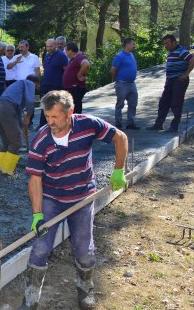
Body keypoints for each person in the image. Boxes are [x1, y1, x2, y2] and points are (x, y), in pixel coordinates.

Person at [20, 90, 128, 310]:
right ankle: (30, 298)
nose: (50, 122)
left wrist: (119, 170)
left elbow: (120, 137)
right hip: (52, 198)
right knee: (41, 248)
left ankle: (85, 288)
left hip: (82, 197)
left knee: (84, 250)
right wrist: (38, 214)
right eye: (47, 117)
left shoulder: (88, 124)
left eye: (55, 117)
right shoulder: (41, 139)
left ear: (70, 113)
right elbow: (35, 179)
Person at [146, 34, 194, 132]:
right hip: (170, 80)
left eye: (167, 43)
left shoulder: (182, 51)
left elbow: (193, 60)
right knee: (163, 102)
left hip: (179, 80)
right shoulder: (171, 52)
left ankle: (174, 127)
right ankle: (158, 124)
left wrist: (186, 74)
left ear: (174, 42)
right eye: (164, 43)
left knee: (176, 103)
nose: (166, 45)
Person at [0, 75, 39, 176]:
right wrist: (29, 116)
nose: (35, 89)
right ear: (35, 83)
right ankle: (7, 171)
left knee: (6, 142)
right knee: (16, 143)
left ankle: (3, 168)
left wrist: (23, 127)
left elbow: (17, 114)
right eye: (36, 87)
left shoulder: (17, 88)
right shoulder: (28, 83)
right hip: (7, 108)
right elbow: (30, 101)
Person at [7, 40, 41, 127]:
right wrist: (15, 62)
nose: (20, 49)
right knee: (18, 103)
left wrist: (37, 83)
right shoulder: (17, 57)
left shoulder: (34, 57)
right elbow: (8, 67)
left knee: (30, 103)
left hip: (31, 84)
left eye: (22, 47)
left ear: (27, 47)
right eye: (19, 47)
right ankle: (19, 121)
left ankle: (29, 122)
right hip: (19, 84)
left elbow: (37, 71)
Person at [39, 38, 69, 129]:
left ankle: (58, 124)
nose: (49, 48)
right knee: (44, 104)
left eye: (51, 46)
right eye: (47, 46)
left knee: (56, 106)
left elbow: (66, 70)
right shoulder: (47, 55)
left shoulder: (61, 56)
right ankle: (43, 125)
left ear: (55, 45)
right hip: (46, 84)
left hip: (57, 85)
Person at [111, 38, 140, 130]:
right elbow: (113, 70)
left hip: (132, 84)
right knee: (120, 104)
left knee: (133, 104)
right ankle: (118, 124)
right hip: (122, 84)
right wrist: (117, 80)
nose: (134, 46)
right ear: (127, 45)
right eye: (133, 44)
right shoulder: (120, 56)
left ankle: (131, 123)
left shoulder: (131, 54)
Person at [63, 42, 90, 114]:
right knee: (71, 106)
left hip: (76, 87)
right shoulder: (73, 59)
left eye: (66, 50)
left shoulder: (79, 57)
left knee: (76, 106)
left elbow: (86, 64)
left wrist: (79, 75)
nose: (65, 52)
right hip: (71, 88)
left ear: (71, 51)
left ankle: (77, 121)